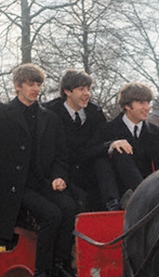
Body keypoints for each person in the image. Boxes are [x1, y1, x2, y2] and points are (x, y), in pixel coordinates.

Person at [0, 63, 77, 277]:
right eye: (30, 84)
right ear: (18, 86)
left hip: (44, 184)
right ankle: (42, 273)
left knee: (69, 207)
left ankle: (61, 265)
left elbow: (61, 156)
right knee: (52, 215)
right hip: (15, 188)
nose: (35, 88)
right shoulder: (2, 113)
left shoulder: (50, 118)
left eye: (38, 84)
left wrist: (59, 176)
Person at [43, 69, 123, 212]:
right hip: (62, 169)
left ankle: (114, 203)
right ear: (67, 91)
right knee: (78, 202)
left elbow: (104, 138)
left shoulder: (95, 112)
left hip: (87, 167)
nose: (87, 93)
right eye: (81, 89)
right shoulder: (49, 111)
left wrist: (113, 144)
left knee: (104, 161)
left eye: (88, 89)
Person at [99, 82, 159, 202]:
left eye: (148, 103)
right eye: (141, 103)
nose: (147, 107)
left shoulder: (155, 132)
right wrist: (112, 145)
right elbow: (92, 152)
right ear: (127, 106)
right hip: (118, 196)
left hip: (150, 194)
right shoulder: (107, 129)